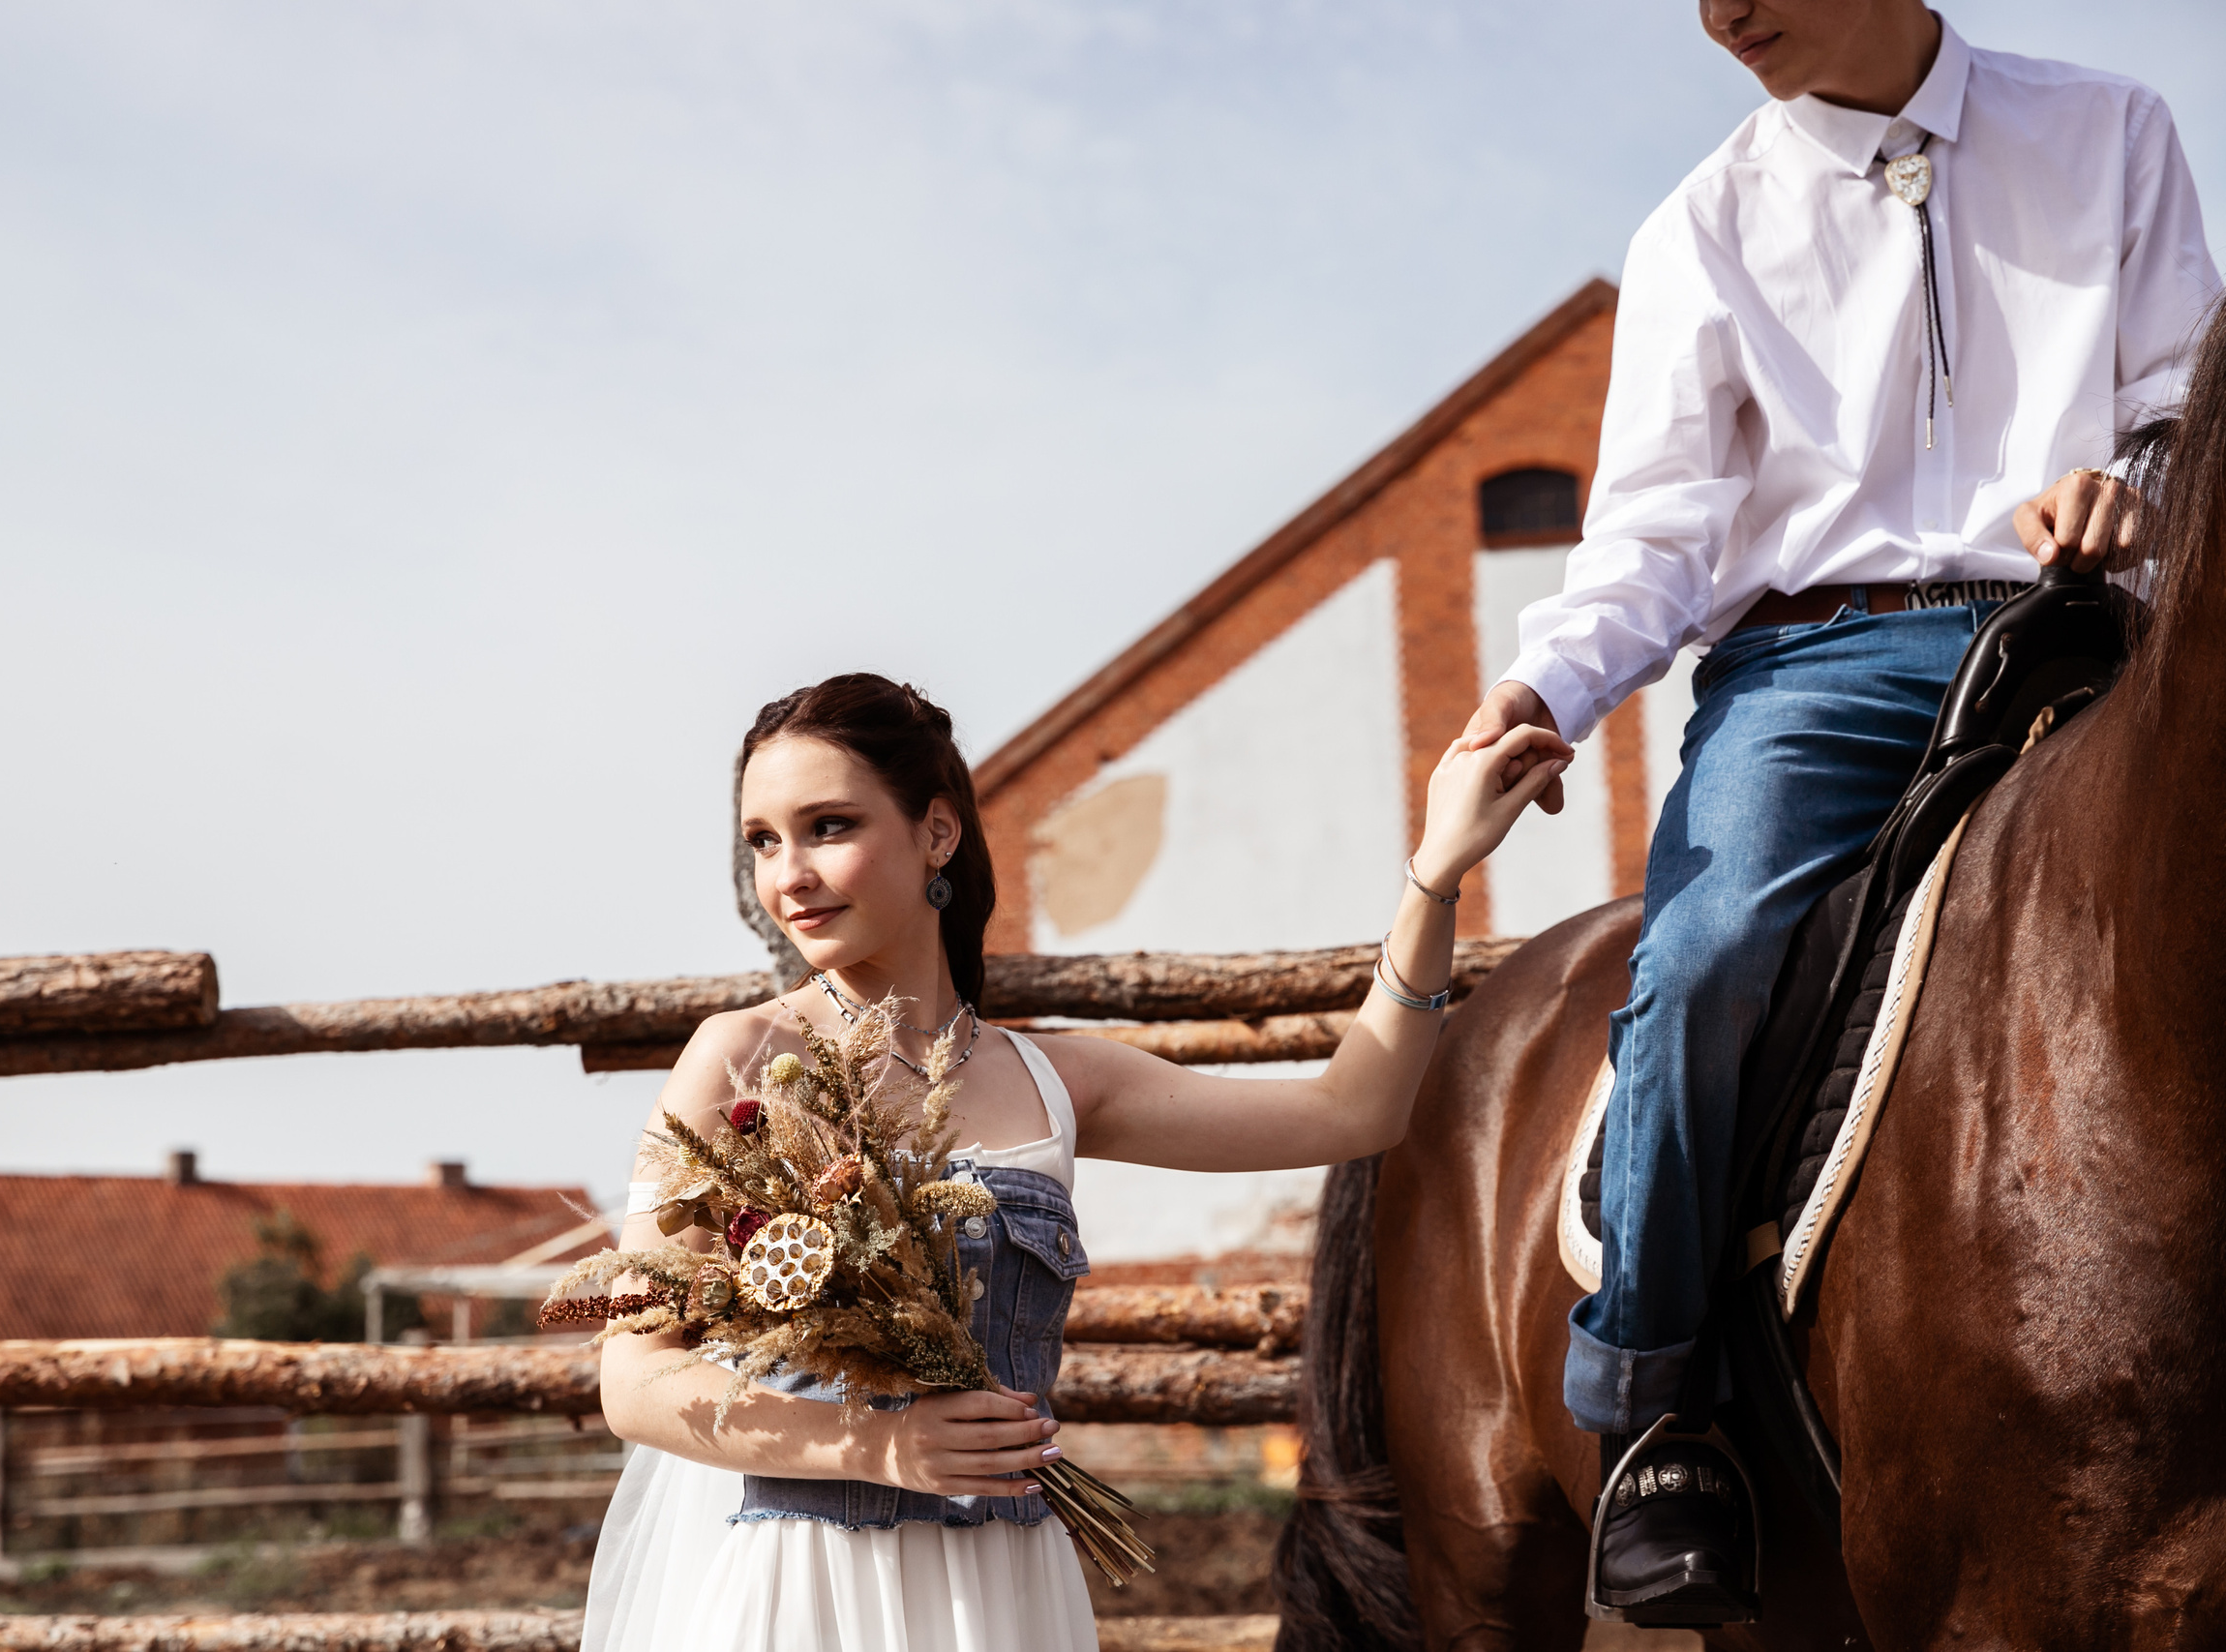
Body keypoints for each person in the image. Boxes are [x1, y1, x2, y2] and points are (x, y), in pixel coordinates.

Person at [1458, 0, 2217, 1620]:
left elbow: (2173, 396)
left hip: (2078, 624)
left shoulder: (2113, 130)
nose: (1719, 14)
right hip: (1819, 666)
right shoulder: (1702, 227)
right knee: (1710, 948)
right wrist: (1549, 690)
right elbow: (1655, 534)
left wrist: (2132, 489)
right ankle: (1658, 1407)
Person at [579, 672, 1569, 1651]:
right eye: (762, 840)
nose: (786, 874)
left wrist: (1435, 873)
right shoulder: (740, 1061)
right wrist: (878, 1445)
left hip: (1007, 1589)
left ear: (936, 832)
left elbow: (1352, 1109)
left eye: (827, 827)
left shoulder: (1057, 1080)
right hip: (811, 1586)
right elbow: (634, 1380)